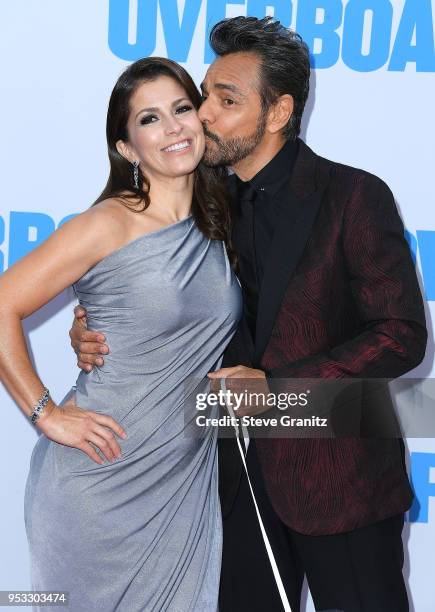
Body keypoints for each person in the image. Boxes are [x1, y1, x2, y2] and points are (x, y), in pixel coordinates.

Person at [70, 16, 427, 612]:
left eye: (225, 99)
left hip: (339, 479)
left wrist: (280, 391)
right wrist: (92, 328)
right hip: (225, 481)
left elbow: (400, 336)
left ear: (279, 112)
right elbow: (145, 290)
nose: (202, 114)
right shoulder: (196, 201)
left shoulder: (353, 197)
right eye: (204, 94)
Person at [0, 57, 242, 611]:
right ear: (127, 148)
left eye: (182, 109)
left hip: (181, 488)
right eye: (150, 119)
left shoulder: (221, 221)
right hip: (100, 484)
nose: (174, 127)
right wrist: (45, 413)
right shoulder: (109, 223)